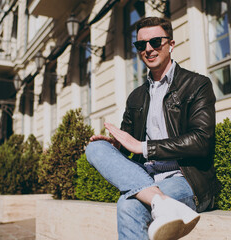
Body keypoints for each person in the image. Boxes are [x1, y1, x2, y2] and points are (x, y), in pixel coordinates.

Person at [86, 16, 217, 240]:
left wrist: (144, 147)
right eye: (141, 45)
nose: (148, 49)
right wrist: (115, 145)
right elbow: (129, 144)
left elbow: (201, 141)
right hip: (145, 178)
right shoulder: (136, 96)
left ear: (171, 44)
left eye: (156, 42)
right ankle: (160, 201)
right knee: (95, 148)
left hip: (184, 179)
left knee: (128, 206)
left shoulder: (197, 85)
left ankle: (157, 200)